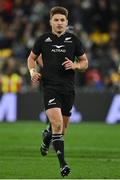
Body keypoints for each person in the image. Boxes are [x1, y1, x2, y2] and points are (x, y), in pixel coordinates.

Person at [27, 6, 88, 177]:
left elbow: (85, 62)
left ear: (67, 22)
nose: (59, 23)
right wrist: (33, 72)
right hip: (49, 87)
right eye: (56, 20)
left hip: (68, 89)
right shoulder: (43, 39)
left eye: (62, 20)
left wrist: (75, 65)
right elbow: (31, 58)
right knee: (58, 125)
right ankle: (63, 165)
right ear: (51, 22)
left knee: (61, 130)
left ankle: (47, 138)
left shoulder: (74, 40)